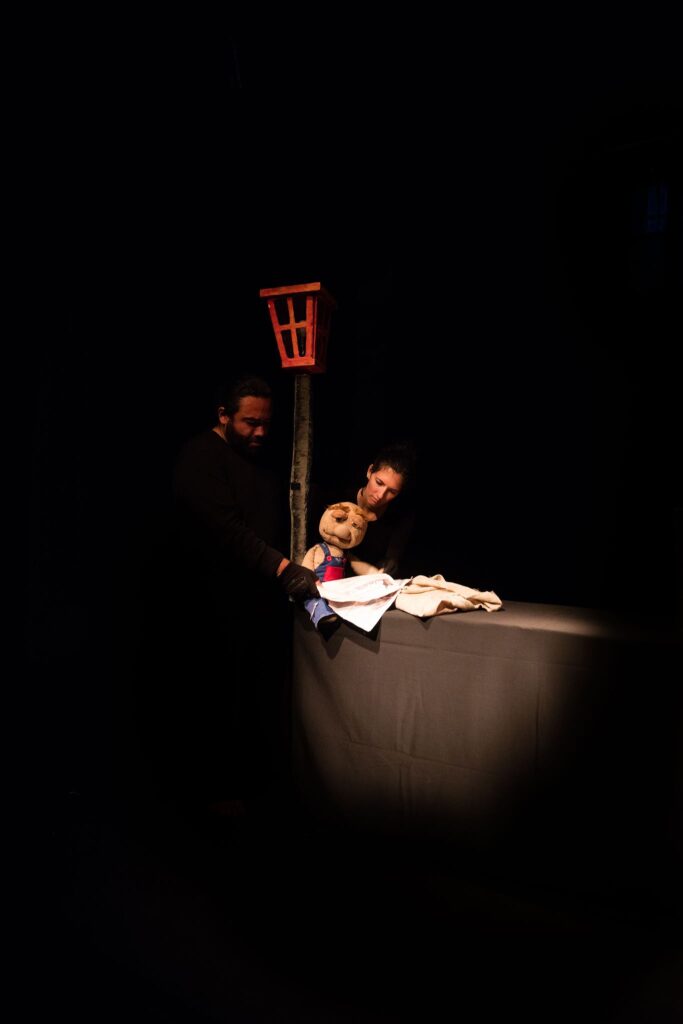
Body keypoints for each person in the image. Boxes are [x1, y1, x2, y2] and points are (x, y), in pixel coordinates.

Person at [148, 374, 319, 822]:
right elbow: (226, 531)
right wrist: (283, 569)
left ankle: (258, 787)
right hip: (210, 600)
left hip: (255, 602)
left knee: (256, 697)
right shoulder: (200, 458)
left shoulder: (258, 458)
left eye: (266, 423)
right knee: (216, 695)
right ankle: (214, 792)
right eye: (250, 423)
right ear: (223, 416)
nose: (261, 431)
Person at [312, 441, 417, 579]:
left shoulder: (399, 517)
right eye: (379, 483)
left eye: (392, 491)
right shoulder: (339, 499)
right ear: (369, 471)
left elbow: (392, 557)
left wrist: (390, 564)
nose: (380, 495)